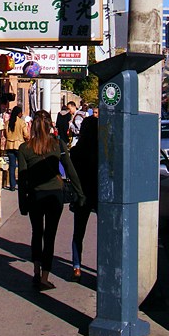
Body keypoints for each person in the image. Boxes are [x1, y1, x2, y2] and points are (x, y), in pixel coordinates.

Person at [17, 110, 85, 290]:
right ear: (49, 125)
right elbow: (70, 170)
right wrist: (80, 193)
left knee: (36, 233)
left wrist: (22, 203)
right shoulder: (58, 145)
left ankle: (36, 271)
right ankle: (45, 276)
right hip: (55, 194)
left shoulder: (25, 148)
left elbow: (22, 179)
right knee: (50, 235)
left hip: (34, 195)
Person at [69, 115, 99, 281]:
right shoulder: (102, 150)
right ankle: (102, 265)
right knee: (104, 232)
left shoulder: (76, 152)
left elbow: (72, 175)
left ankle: (77, 266)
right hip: (98, 194)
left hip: (81, 194)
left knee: (78, 232)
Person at [3, 105, 29, 191]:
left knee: (12, 166)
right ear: (19, 113)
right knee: (22, 166)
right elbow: (26, 134)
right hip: (19, 145)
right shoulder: (21, 122)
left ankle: (12, 185)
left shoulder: (7, 122)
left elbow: (5, 134)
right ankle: (22, 184)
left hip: (9, 145)